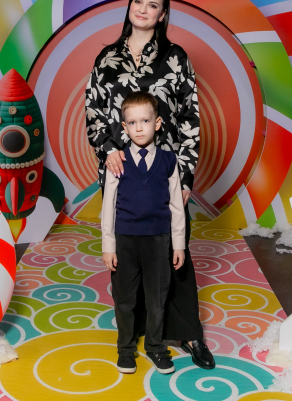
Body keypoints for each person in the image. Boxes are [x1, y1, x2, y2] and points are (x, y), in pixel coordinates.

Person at [85, 0, 215, 370]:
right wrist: (108, 149)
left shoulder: (176, 57)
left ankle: (187, 332)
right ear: (130, 6)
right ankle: (136, 330)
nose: (143, 9)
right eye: (138, 2)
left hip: (165, 171)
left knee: (174, 252)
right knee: (126, 256)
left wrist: (185, 175)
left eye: (153, 5)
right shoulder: (106, 58)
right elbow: (93, 110)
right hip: (121, 171)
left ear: (162, 14)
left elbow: (190, 115)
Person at [101, 91, 185, 374]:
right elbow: (108, 206)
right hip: (125, 241)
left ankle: (155, 346)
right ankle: (125, 350)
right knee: (124, 299)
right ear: (124, 127)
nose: (139, 128)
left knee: (157, 299)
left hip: (158, 241)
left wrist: (179, 244)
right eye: (132, 122)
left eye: (145, 121)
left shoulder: (169, 160)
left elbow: (176, 206)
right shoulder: (117, 162)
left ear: (157, 123)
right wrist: (108, 246)